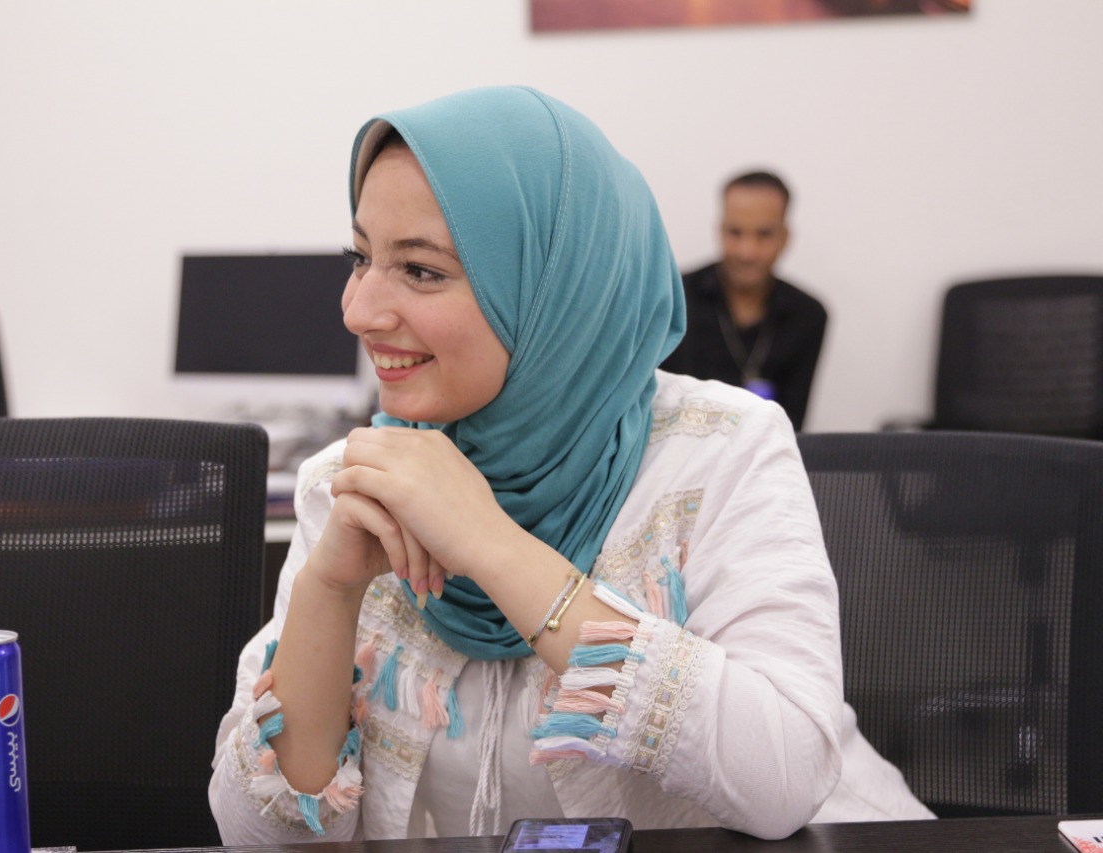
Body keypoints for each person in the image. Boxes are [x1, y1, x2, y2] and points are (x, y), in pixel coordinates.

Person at [209, 86, 931, 845]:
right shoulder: (356, 480)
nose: (358, 310)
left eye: (420, 270)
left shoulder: (720, 448)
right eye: (361, 257)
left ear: (555, 285)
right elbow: (258, 841)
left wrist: (491, 544)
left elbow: (784, 781)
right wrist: (328, 590)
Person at [659, 171, 827, 431]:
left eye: (764, 234)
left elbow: (792, 426)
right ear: (720, 230)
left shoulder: (808, 315)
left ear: (785, 237)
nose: (747, 251)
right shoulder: (674, 297)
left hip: (767, 452)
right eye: (735, 232)